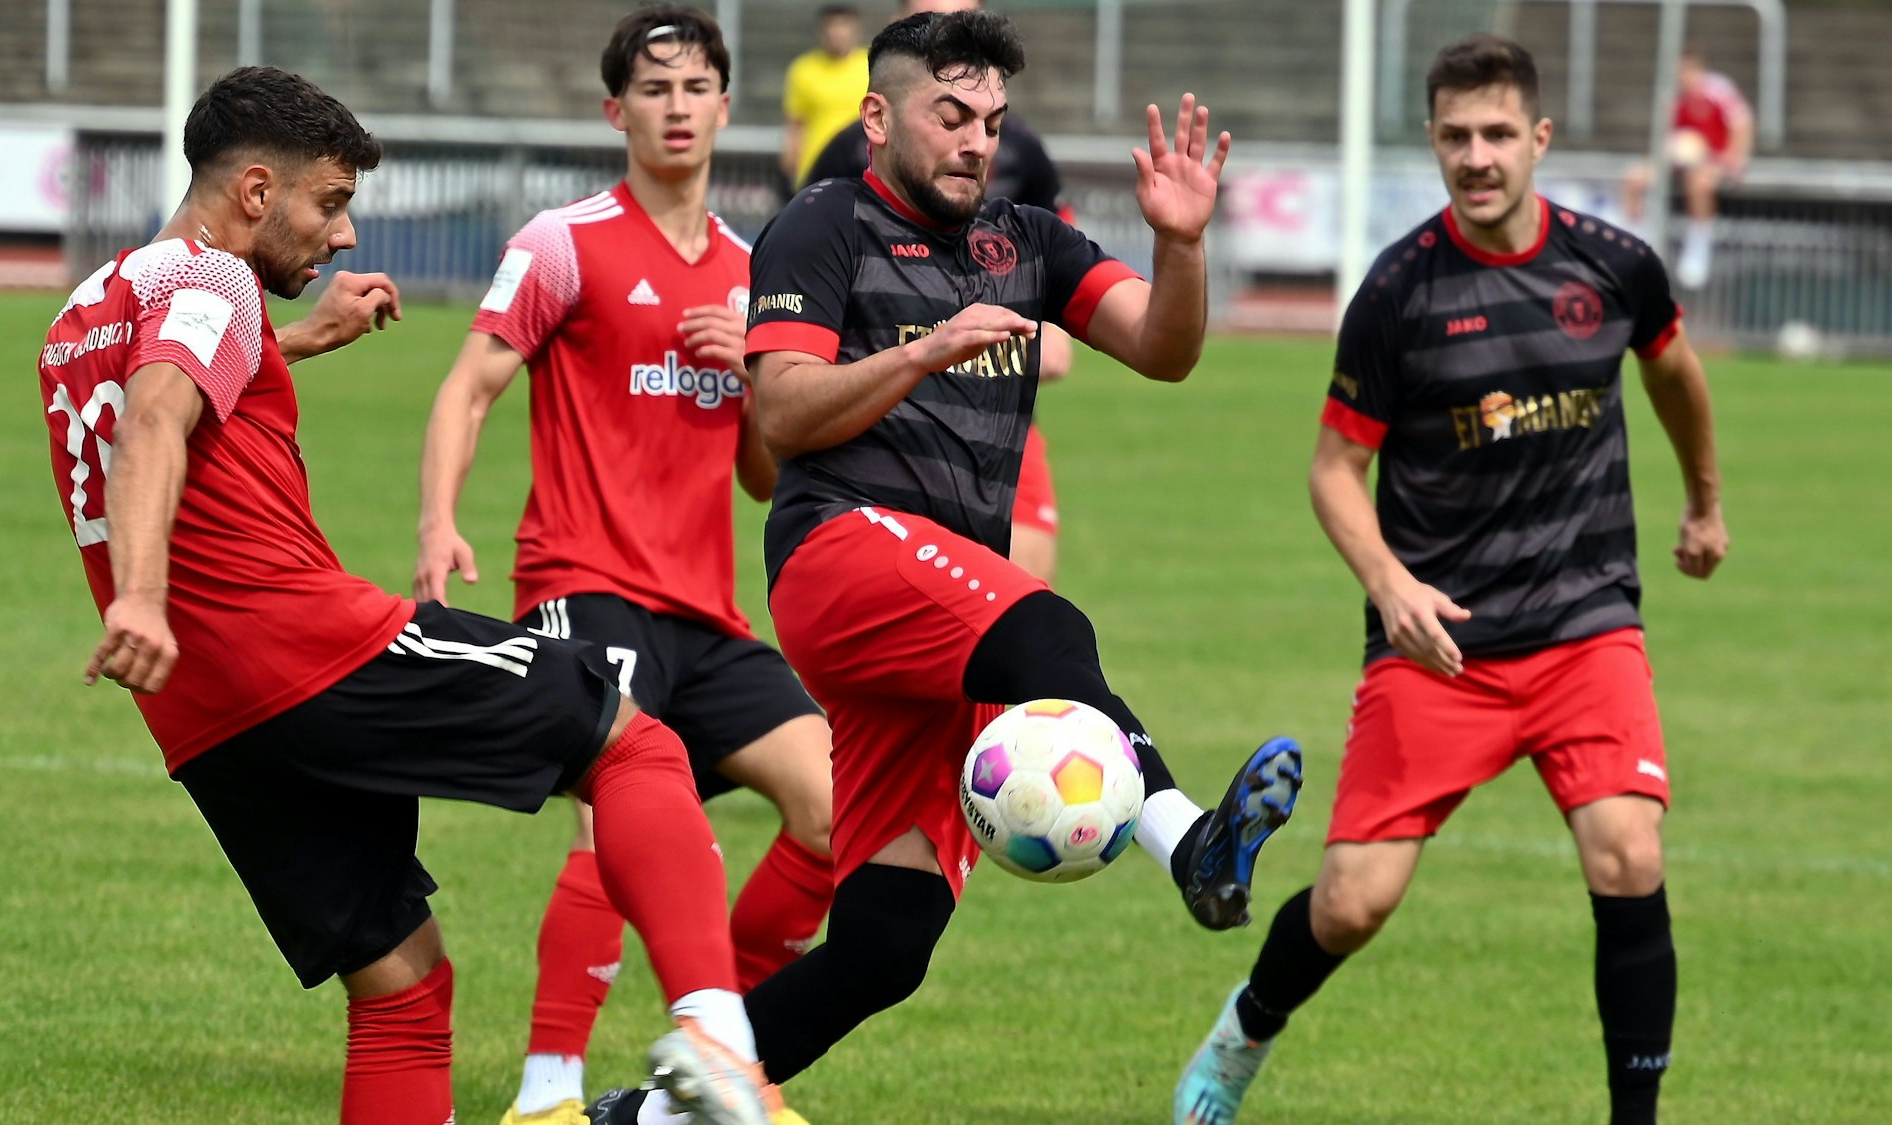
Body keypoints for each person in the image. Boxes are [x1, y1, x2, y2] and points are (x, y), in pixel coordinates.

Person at [38, 65, 792, 1125]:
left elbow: (161, 390)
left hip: (201, 714)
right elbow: (159, 416)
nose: (343, 237)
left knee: (400, 985)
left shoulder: (90, 306)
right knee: (632, 742)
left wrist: (295, 345)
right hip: (300, 644)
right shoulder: (209, 280)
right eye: (330, 203)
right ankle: (720, 1041)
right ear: (256, 191)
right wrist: (141, 596)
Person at [588, 11, 1303, 1123]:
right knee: (1053, 633)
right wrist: (921, 350)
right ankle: (1186, 842)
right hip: (840, 555)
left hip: (936, 612)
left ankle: (652, 1112)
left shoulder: (1027, 239)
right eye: (950, 115)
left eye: (991, 121)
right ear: (877, 117)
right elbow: (777, 413)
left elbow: (1164, 350)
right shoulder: (819, 226)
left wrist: (1181, 243)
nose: (976, 140)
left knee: (885, 943)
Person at [1175, 34, 1728, 1125]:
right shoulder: (1396, 294)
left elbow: (1672, 369)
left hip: (1583, 625)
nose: (1476, 158)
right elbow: (1334, 469)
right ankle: (1244, 1031)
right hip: (1439, 644)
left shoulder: (1612, 265)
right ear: (1431, 142)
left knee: (1625, 851)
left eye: (1494, 135)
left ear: (1537, 139)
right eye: (1454, 137)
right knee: (1350, 904)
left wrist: (1703, 500)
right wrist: (1387, 585)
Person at [412, 9, 834, 1124]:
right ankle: (543, 1093)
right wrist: (437, 522)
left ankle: (715, 1052)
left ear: (727, 107)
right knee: (618, 816)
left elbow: (760, 474)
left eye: (697, 86)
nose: (678, 106)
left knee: (835, 809)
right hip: (583, 583)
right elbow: (468, 386)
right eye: (654, 89)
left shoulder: (758, 271)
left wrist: (751, 371)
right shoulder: (563, 242)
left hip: (706, 610)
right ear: (616, 111)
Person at [801, 0, 1076, 583]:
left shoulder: (1022, 152)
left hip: (996, 420)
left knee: (1026, 621)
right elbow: (802, 282)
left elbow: (1057, 271)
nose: (977, 143)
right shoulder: (840, 167)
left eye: (990, 126)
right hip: (875, 437)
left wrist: (1044, 332)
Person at [1622, 48, 1754, 290]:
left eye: (1686, 71)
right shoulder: (1672, 96)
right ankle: (1637, 244)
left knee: (1699, 183)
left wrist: (1735, 159)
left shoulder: (1719, 90)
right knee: (1635, 178)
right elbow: (1666, 134)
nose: (1682, 77)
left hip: (1714, 160)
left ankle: (1698, 247)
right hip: (1680, 157)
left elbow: (1742, 124)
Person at [780, 4, 869, 190]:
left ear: (855, 30)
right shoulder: (804, 69)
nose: (837, 33)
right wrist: (789, 167)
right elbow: (796, 124)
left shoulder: (870, 66)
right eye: (832, 26)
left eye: (843, 25)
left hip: (860, 166)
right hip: (816, 168)